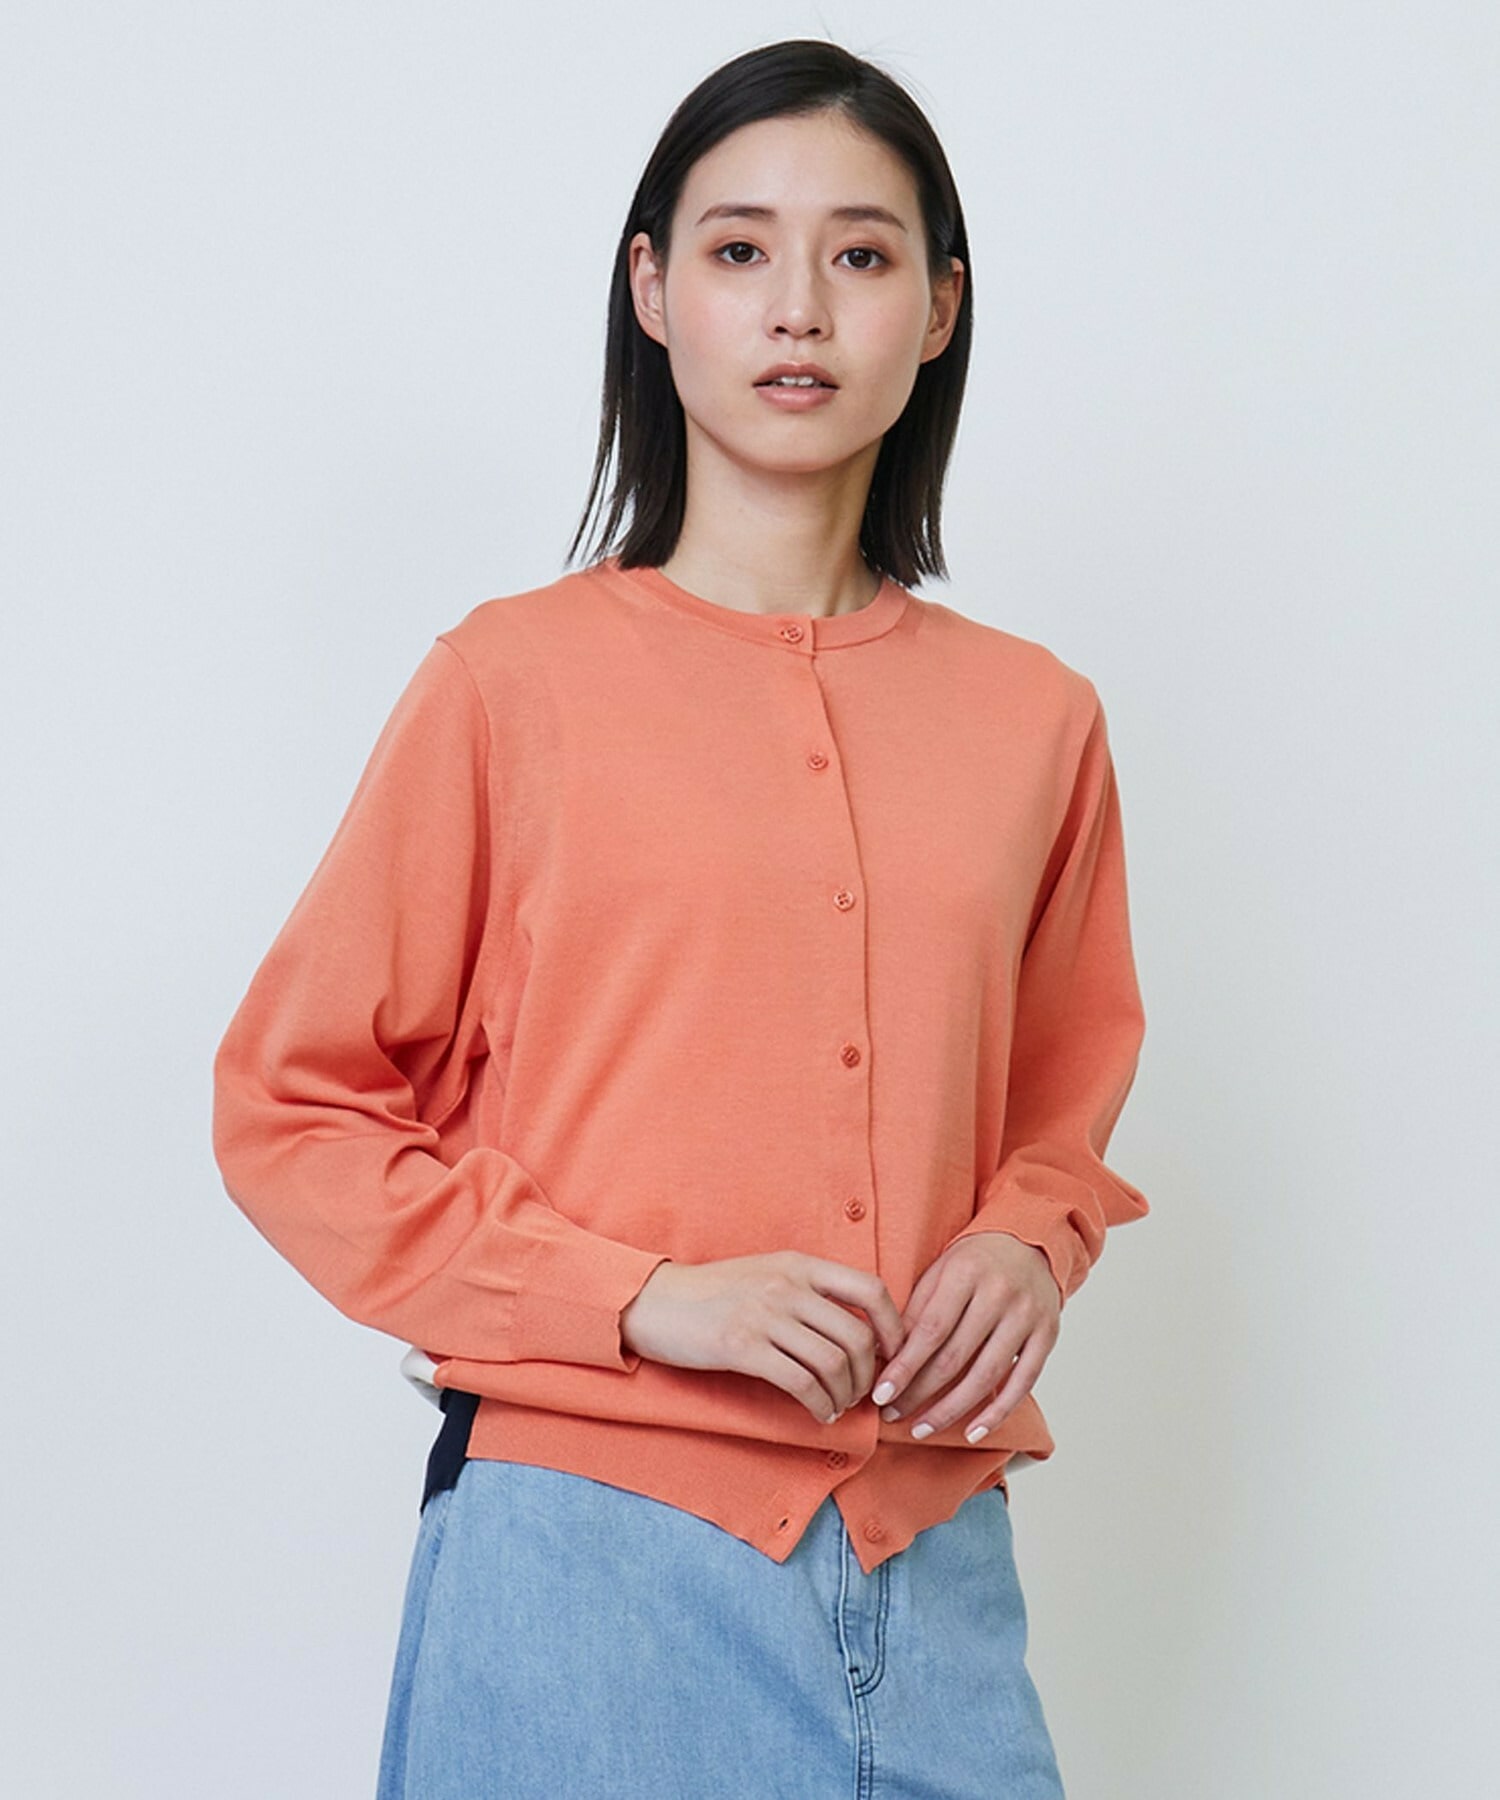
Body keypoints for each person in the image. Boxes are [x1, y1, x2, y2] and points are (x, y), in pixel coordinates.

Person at [211, 37, 1151, 1800]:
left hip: (936, 1565)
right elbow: (295, 1106)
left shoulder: (1038, 718)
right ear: (652, 292)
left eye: (861, 254)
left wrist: (1032, 1241)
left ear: (940, 308)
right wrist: (641, 1299)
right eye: (739, 250)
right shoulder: (511, 685)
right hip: (590, 1566)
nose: (800, 307)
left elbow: (1061, 1101)